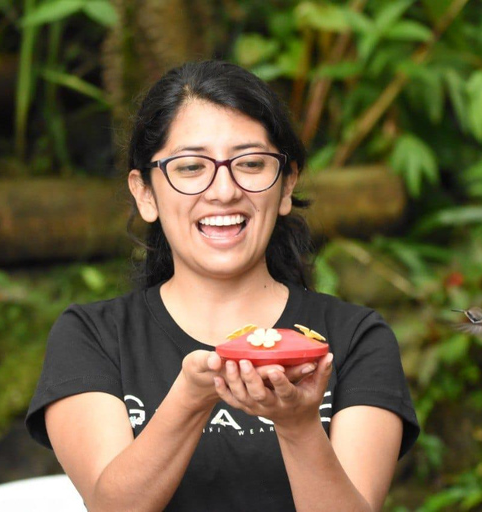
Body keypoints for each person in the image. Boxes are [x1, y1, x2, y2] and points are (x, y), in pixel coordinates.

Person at [26, 60, 419, 511]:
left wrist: (298, 426)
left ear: (286, 185)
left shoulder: (354, 340)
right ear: (145, 193)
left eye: (250, 163)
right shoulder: (93, 336)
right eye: (191, 167)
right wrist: (192, 398)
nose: (224, 190)